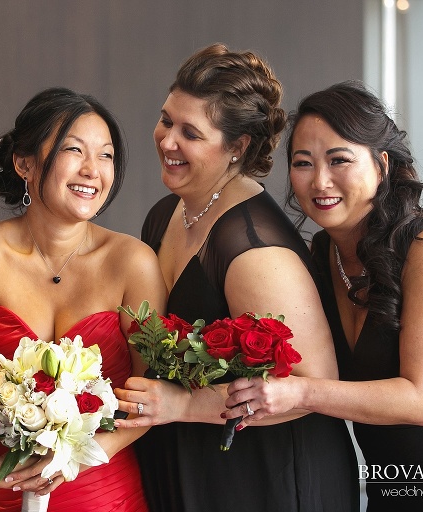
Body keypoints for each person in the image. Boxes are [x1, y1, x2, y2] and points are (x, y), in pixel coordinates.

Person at [113, 44, 359, 511]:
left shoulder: (254, 249)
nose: (167, 141)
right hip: (193, 462)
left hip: (266, 478)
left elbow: (311, 386)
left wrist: (183, 406)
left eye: (191, 133)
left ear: (237, 147)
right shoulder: (165, 213)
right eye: (166, 120)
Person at [224, 81, 423, 511]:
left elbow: (421, 401)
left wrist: (299, 393)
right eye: (303, 163)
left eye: (339, 159)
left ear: (381, 165)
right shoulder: (321, 256)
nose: (320, 180)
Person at [0, 86, 167, 511]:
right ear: (25, 163)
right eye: (74, 151)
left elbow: (149, 395)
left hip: (100, 489)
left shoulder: (133, 262)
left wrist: (77, 458)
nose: (92, 170)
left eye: (106, 155)